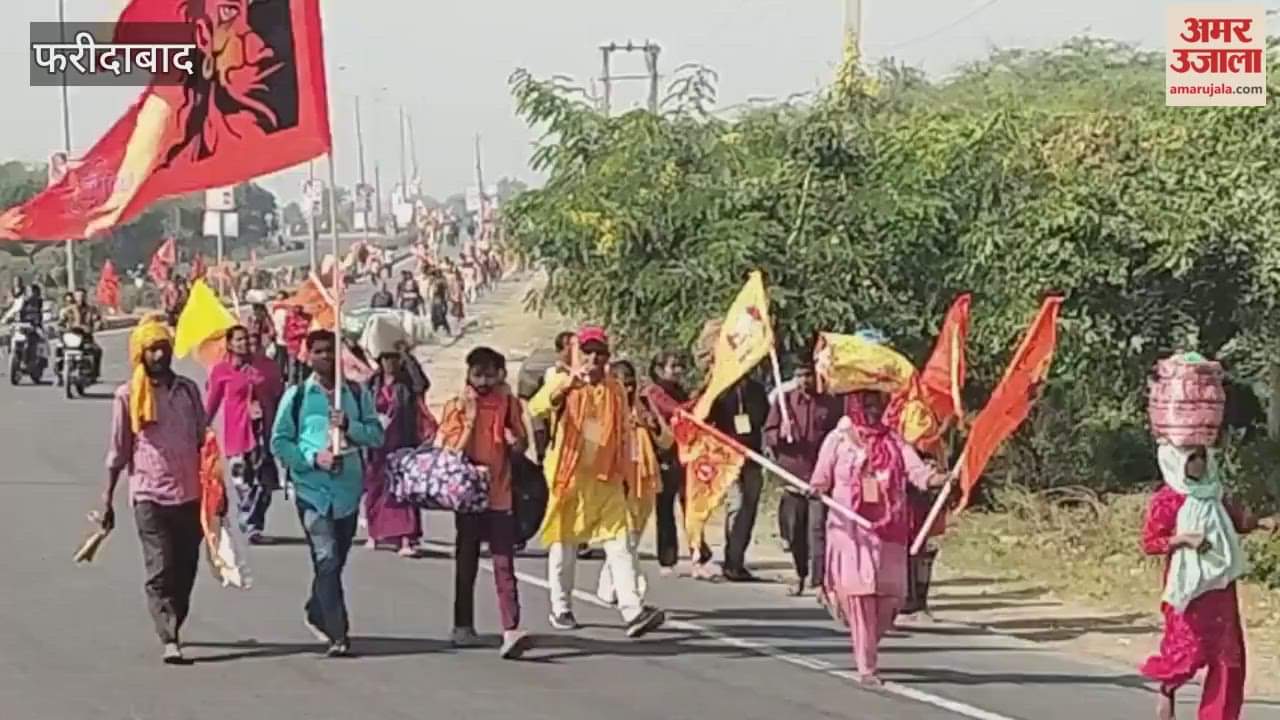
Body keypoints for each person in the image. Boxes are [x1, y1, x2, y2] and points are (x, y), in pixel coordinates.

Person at [528, 326, 666, 637]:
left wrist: (629, 474)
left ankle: (633, 610)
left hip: (607, 478)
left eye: (600, 354)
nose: (594, 359)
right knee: (565, 544)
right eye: (588, 353)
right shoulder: (562, 382)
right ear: (578, 353)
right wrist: (565, 385)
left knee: (621, 543)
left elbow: (623, 433)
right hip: (569, 478)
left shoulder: (616, 389)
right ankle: (561, 607)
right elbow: (536, 406)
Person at [810, 390, 945, 686]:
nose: (872, 411)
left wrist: (939, 479)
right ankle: (866, 666)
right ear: (855, 406)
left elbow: (917, 474)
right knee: (860, 597)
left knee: (890, 600)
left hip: (889, 531)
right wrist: (816, 489)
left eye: (877, 405)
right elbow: (821, 478)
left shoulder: (894, 441)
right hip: (851, 531)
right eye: (866, 405)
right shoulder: (839, 439)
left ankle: (867, 634)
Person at [1140, 444, 1278, 720]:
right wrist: (1185, 540)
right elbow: (1151, 543)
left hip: (1221, 586)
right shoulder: (1169, 499)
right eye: (1192, 458)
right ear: (1176, 462)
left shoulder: (1217, 494)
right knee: (1188, 654)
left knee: (1227, 659)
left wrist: (1264, 522)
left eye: (1203, 456)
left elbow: (1240, 522)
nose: (1200, 464)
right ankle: (1168, 688)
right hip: (1188, 589)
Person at [271, 330, 384, 657]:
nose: (325, 357)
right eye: (318, 351)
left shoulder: (355, 393)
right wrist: (313, 459)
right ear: (308, 356)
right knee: (326, 556)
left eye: (330, 351)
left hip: (348, 492)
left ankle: (317, 608)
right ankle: (339, 632)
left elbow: (376, 435)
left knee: (334, 563)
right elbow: (279, 442)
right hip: (312, 491)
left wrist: (350, 427)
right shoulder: (297, 397)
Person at [101, 316, 207, 664]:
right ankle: (169, 636)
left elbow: (203, 442)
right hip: (149, 493)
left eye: (163, 347)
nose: (159, 355)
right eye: (152, 349)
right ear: (140, 354)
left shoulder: (188, 390)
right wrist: (107, 499)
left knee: (186, 566)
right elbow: (119, 451)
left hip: (190, 492)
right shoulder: (128, 395)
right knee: (160, 565)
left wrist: (216, 493)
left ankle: (176, 617)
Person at [438, 346, 530, 659]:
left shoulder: (509, 404)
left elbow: (521, 443)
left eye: (491, 373)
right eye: (478, 373)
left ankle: (511, 628)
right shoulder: (456, 406)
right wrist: (471, 418)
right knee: (467, 562)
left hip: (500, 494)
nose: (484, 380)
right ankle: (462, 625)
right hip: (468, 497)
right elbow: (451, 452)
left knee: (504, 563)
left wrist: (515, 441)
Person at [764, 357, 842, 597]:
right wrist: (780, 434)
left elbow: (838, 437)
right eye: (798, 375)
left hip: (820, 479)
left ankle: (819, 583)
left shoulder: (830, 405)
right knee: (795, 530)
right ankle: (800, 574)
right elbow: (768, 433)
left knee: (818, 530)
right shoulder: (784, 402)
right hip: (793, 479)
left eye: (807, 375)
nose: (803, 381)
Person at [206, 325, 284, 544]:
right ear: (230, 344)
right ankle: (250, 524)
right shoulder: (222, 371)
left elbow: (280, 398)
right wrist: (201, 427)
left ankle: (254, 522)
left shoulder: (267, 368)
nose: (244, 343)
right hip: (238, 436)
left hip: (264, 435)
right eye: (239, 340)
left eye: (249, 339)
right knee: (243, 483)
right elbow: (212, 403)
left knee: (265, 484)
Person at [642, 350, 715, 577]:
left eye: (680, 367)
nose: (678, 371)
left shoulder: (678, 391)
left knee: (692, 506)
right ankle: (667, 559)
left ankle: (698, 554)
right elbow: (677, 411)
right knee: (665, 509)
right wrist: (703, 397)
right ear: (659, 369)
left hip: (685, 456)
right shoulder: (653, 393)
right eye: (673, 366)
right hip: (665, 457)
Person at [597, 360, 664, 605]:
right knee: (623, 537)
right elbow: (592, 443)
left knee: (633, 536)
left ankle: (610, 584)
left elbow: (665, 440)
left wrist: (651, 420)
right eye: (621, 385)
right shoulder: (600, 407)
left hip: (644, 477)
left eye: (630, 384)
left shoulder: (644, 407)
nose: (626, 389)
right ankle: (633, 589)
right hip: (616, 479)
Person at [363, 345, 435, 558]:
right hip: (377, 445)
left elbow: (422, 384)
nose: (390, 364)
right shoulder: (372, 384)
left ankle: (406, 539)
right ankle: (374, 533)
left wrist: (406, 353)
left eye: (394, 359)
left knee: (404, 490)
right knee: (375, 489)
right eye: (386, 359)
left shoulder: (406, 385)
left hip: (402, 443)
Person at [705, 373, 770, 582]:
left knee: (749, 508)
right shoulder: (721, 390)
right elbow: (705, 420)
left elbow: (766, 422)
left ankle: (737, 560)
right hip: (728, 460)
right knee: (737, 504)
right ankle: (731, 561)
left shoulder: (757, 391)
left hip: (753, 457)